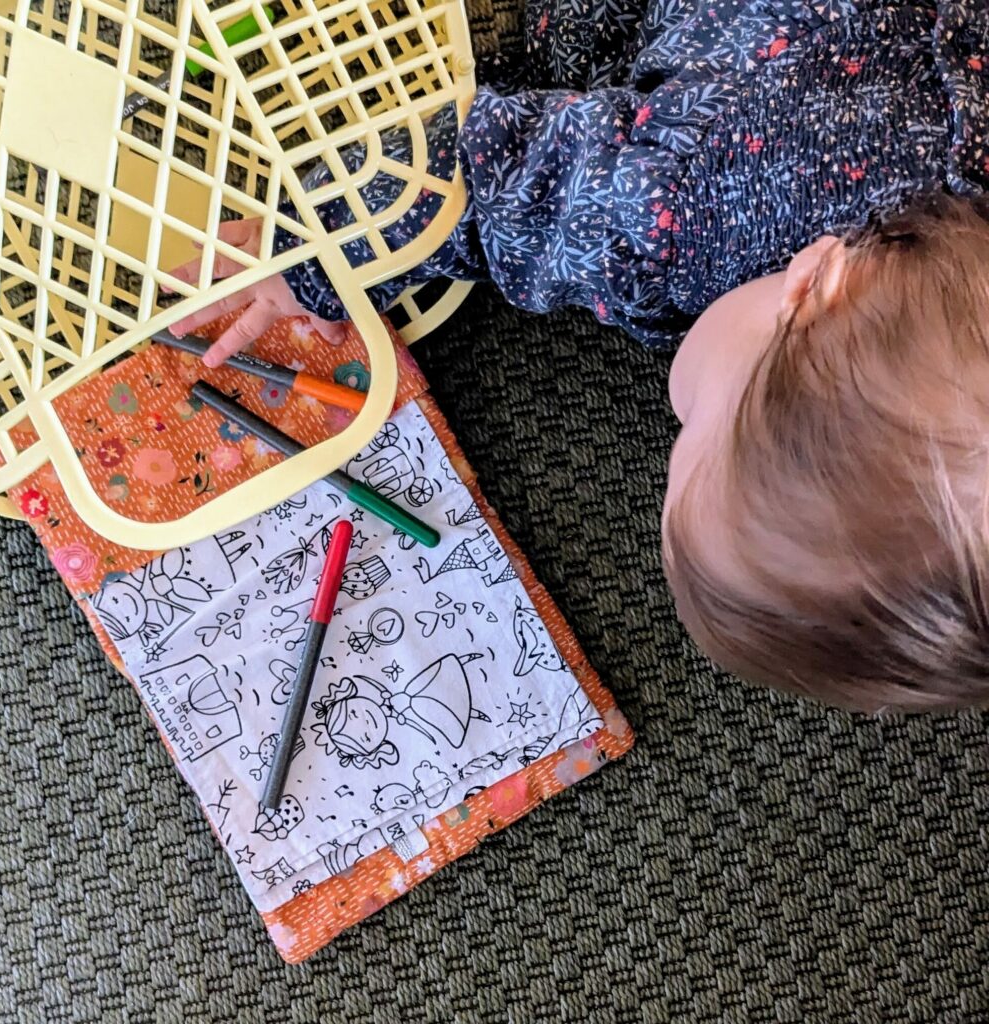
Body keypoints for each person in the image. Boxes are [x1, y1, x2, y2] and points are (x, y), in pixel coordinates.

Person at [168, 1, 989, 711]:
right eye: (693, 429)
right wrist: (308, 259)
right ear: (813, 285)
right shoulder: (673, 217)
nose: (675, 411)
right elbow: (470, 183)